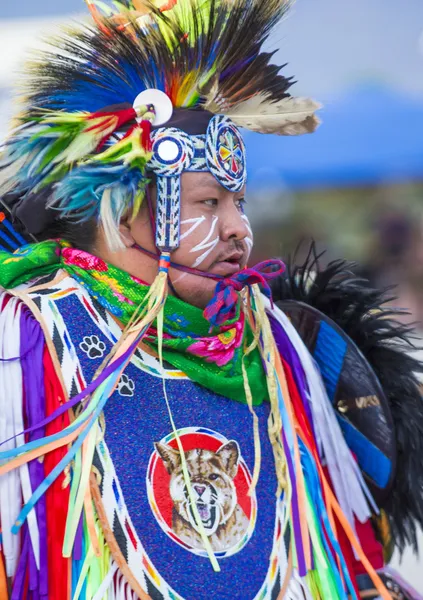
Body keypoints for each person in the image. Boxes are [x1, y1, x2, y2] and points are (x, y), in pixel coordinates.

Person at [0, 1, 422, 598]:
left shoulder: (278, 348)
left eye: (240, 203)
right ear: (122, 212)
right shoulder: (30, 338)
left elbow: (338, 546)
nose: (239, 231)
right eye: (209, 203)